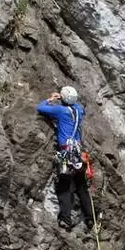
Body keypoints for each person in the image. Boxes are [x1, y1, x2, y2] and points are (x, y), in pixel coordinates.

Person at [37, 86, 95, 232]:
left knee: (64, 185)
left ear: (63, 98)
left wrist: (51, 99)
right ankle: (90, 218)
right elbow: (79, 106)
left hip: (65, 152)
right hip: (77, 152)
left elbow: (41, 108)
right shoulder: (79, 110)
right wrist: (65, 99)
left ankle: (65, 218)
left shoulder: (60, 111)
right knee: (81, 185)